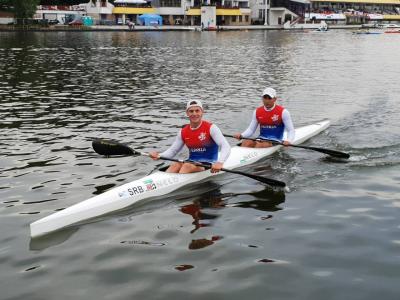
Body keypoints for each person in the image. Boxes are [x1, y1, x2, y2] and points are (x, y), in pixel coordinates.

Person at [149, 100, 231, 174]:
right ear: (187, 113)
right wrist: (159, 156)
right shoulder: (183, 132)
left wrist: (220, 162)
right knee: (175, 165)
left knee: (186, 166)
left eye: (197, 111)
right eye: (191, 111)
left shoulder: (211, 128)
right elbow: (173, 151)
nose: (194, 114)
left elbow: (225, 146)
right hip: (191, 162)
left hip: (210, 163)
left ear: (202, 112)